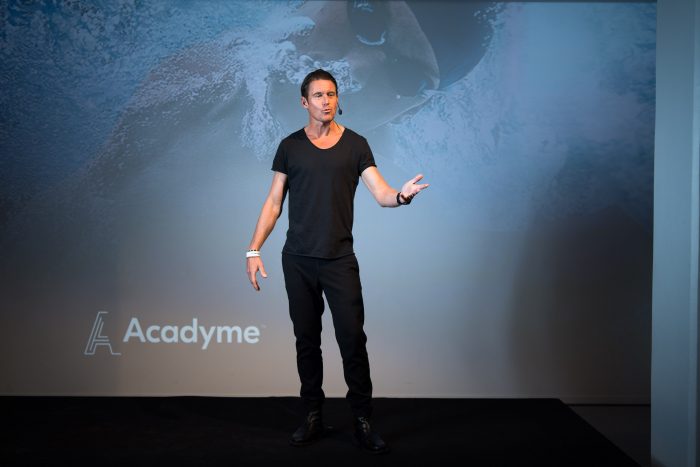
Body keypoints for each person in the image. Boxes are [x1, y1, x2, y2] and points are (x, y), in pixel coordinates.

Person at [246, 69, 428, 455]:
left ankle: (362, 420)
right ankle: (312, 416)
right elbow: (274, 202)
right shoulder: (290, 146)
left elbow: (381, 193)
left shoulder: (356, 145)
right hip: (297, 260)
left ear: (337, 98)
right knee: (306, 342)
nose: (326, 101)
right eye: (318, 95)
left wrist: (401, 196)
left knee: (352, 341)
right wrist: (253, 249)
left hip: (339, 261)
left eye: (331, 94)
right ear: (304, 102)